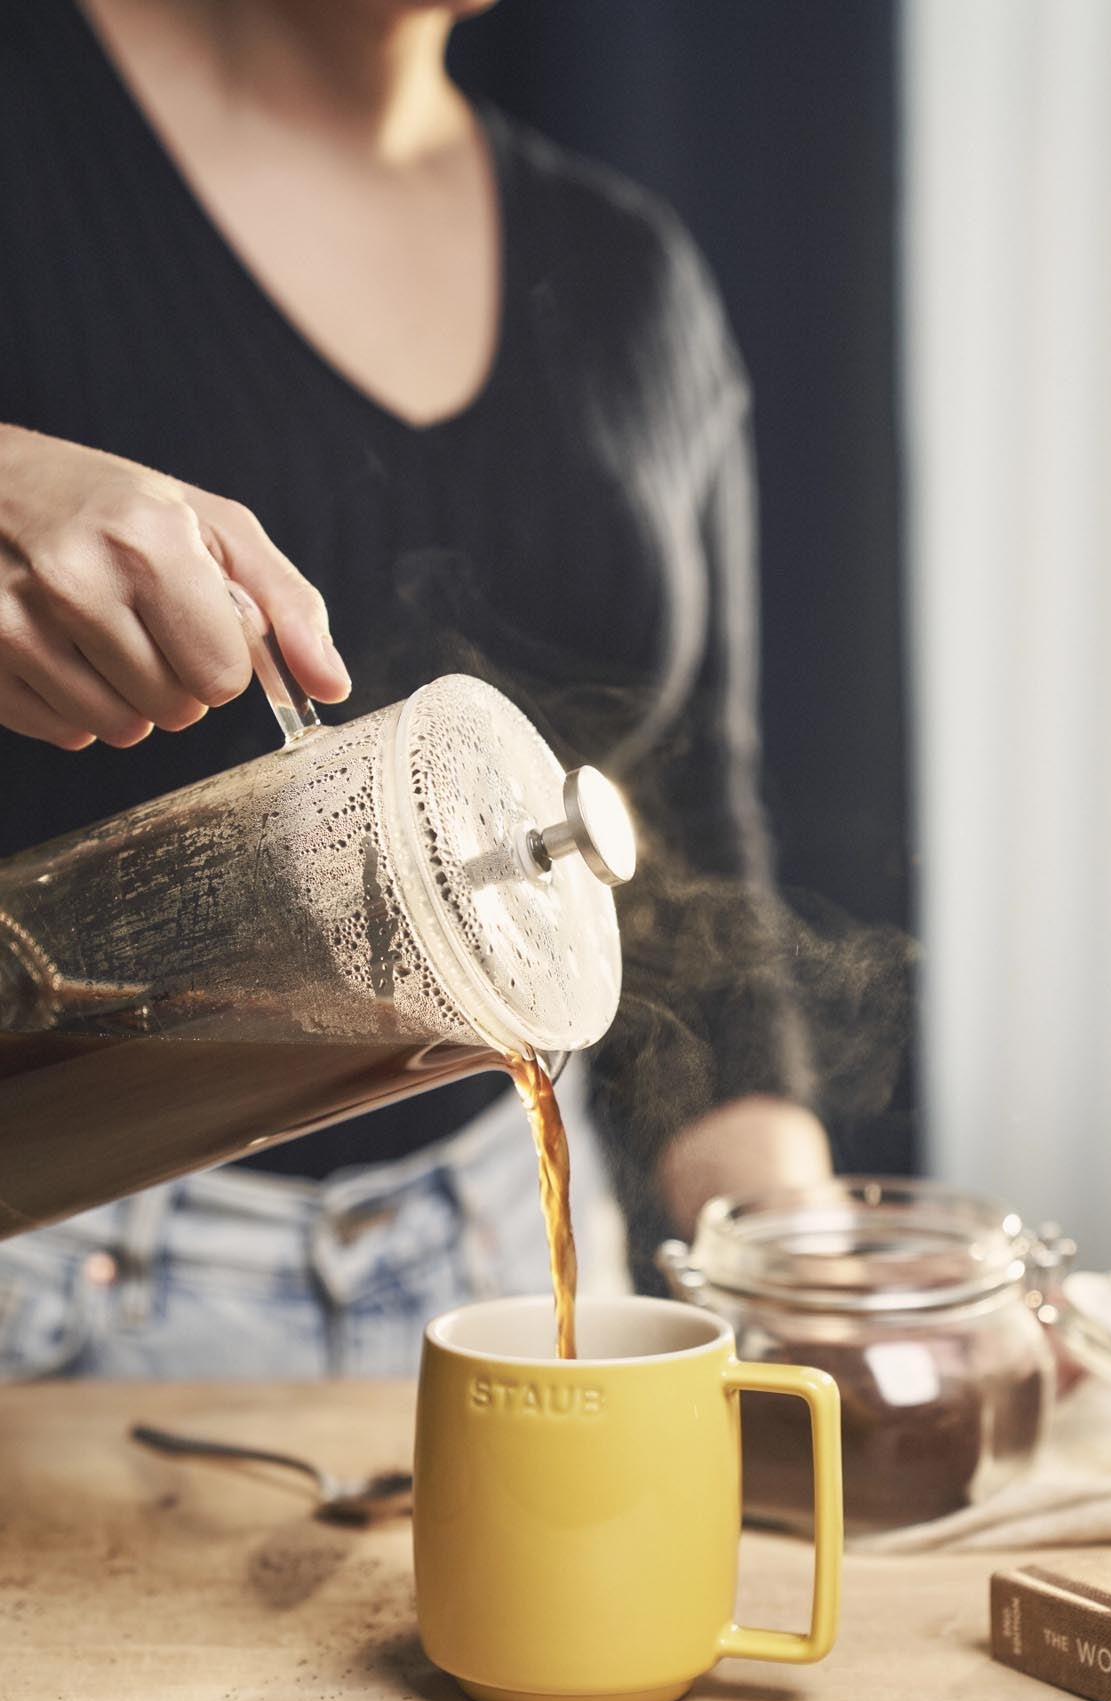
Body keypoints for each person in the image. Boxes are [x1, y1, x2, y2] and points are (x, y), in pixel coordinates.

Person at [0, 0, 830, 1381]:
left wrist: (808, 1265)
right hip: (50, 1265)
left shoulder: (632, 282)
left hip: (503, 1249)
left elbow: (683, 853)